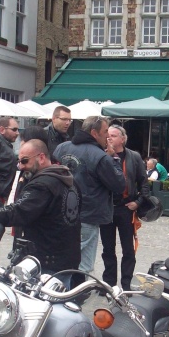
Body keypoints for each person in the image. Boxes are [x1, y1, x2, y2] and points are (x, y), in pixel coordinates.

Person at [0, 139, 81, 283]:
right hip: (65, 257)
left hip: (46, 260)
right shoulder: (67, 178)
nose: (21, 166)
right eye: (19, 161)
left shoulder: (43, 184)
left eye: (25, 161)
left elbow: (17, 212)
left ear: (41, 157)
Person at [54, 115, 125, 276]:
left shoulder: (62, 148)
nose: (108, 136)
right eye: (105, 131)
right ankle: (73, 295)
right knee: (82, 263)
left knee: (65, 254)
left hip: (60, 212)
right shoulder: (100, 156)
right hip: (87, 214)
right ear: (94, 133)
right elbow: (119, 184)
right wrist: (114, 158)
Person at [99, 125, 150, 289]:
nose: (109, 138)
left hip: (126, 207)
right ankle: (109, 283)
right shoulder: (101, 155)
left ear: (122, 139)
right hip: (107, 207)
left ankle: (126, 284)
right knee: (108, 248)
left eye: (113, 135)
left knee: (128, 249)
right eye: (108, 135)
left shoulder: (133, 157)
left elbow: (144, 182)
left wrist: (139, 202)